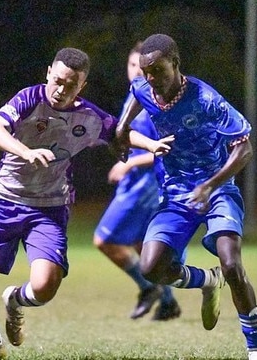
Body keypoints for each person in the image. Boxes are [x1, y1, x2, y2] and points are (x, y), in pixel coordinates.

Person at [0, 47, 172, 360]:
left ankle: (16, 302)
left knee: (45, 287)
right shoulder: (28, 99)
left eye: (70, 85)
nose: (61, 89)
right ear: (48, 72)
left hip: (48, 209)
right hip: (3, 202)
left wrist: (151, 144)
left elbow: (120, 133)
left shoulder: (87, 116)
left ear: (81, 86)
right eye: (57, 80)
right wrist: (25, 151)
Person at [114, 34, 257, 360]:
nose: (151, 79)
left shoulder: (206, 99)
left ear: (176, 64)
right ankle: (206, 281)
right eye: (146, 72)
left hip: (217, 190)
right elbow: (135, 94)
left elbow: (244, 148)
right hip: (175, 195)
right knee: (151, 267)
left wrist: (211, 185)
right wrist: (121, 130)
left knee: (230, 262)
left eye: (158, 70)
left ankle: (256, 349)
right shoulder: (145, 87)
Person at [93, 42, 181, 321]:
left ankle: (148, 289)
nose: (137, 72)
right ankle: (168, 303)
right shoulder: (136, 97)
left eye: (142, 67)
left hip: (146, 185)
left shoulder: (157, 102)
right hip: (139, 184)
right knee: (142, 246)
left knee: (104, 240)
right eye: (132, 66)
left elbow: (166, 147)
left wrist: (130, 162)